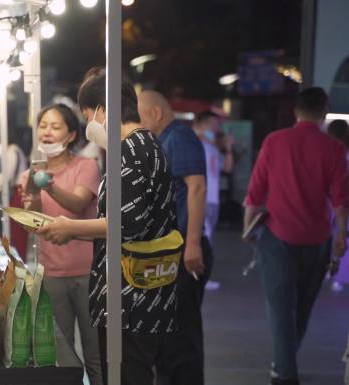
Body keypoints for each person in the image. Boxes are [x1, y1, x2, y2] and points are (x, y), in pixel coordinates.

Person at [37, 73, 179, 385]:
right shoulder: (148, 144)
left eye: (87, 116)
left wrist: (71, 228)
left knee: (128, 374)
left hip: (129, 297)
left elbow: (124, 224)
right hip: (146, 290)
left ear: (101, 110)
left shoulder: (130, 150)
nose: (90, 124)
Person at [243, 87, 348, 385]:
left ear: (295, 111)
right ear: (324, 113)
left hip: (277, 237)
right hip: (318, 239)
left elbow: (255, 190)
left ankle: (284, 372)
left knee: (279, 308)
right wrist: (341, 238)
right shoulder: (334, 148)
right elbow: (341, 200)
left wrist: (247, 227)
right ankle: (283, 365)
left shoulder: (275, 141)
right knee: (302, 307)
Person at [19, 103, 103, 385]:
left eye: (56, 127)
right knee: (60, 354)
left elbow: (78, 204)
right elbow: (35, 224)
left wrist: (48, 185)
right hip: (51, 272)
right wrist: (30, 202)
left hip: (88, 272)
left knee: (96, 353)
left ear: (70, 135)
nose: (47, 132)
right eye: (43, 125)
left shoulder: (87, 166)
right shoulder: (30, 173)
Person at [138, 90, 212, 385]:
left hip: (183, 248)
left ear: (156, 113)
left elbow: (196, 188)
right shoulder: (163, 141)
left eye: (140, 118)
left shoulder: (178, 137)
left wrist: (192, 243)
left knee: (182, 341)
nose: (138, 126)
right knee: (168, 339)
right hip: (169, 250)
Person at [192, 111, 233, 243]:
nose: (216, 128)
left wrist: (228, 149)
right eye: (212, 124)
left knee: (208, 238)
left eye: (217, 125)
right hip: (200, 197)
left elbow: (227, 168)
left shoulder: (213, 148)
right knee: (201, 238)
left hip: (213, 199)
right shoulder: (195, 144)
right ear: (201, 125)